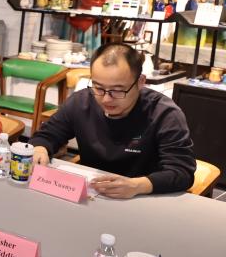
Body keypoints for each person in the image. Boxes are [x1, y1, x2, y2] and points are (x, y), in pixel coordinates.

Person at [30, 42, 196, 198]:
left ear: (140, 82)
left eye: (118, 90)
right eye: (98, 87)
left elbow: (182, 173)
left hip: (143, 198)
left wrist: (137, 186)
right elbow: (47, 136)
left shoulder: (164, 114)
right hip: (92, 194)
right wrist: (40, 149)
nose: (106, 99)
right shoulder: (81, 102)